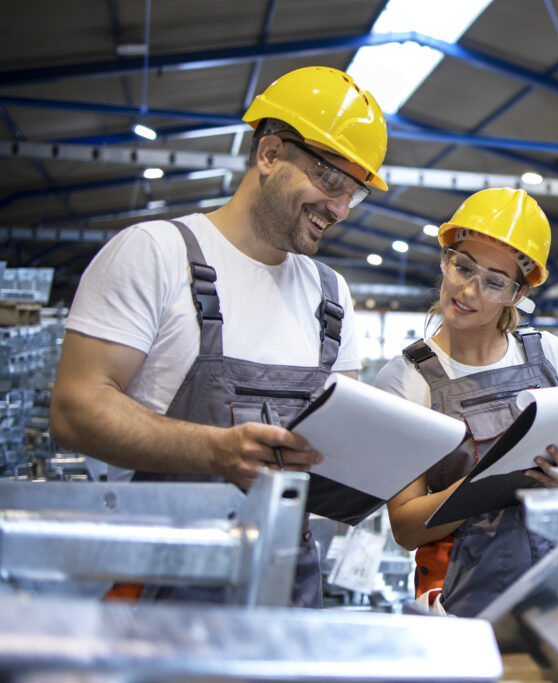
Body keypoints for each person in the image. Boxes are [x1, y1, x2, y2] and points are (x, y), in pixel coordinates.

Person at [49, 66, 389, 607]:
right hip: (160, 589)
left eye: (355, 193)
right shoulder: (156, 254)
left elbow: (336, 442)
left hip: (285, 591)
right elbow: (74, 408)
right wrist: (213, 450)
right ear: (270, 153)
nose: (341, 209)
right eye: (330, 181)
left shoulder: (331, 293)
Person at [375, 188, 558, 617]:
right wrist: (488, 486)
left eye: (495, 282)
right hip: (457, 599)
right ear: (445, 260)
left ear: (516, 295)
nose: (469, 290)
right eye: (461, 266)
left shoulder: (551, 355)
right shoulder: (406, 379)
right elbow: (406, 527)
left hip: (557, 587)